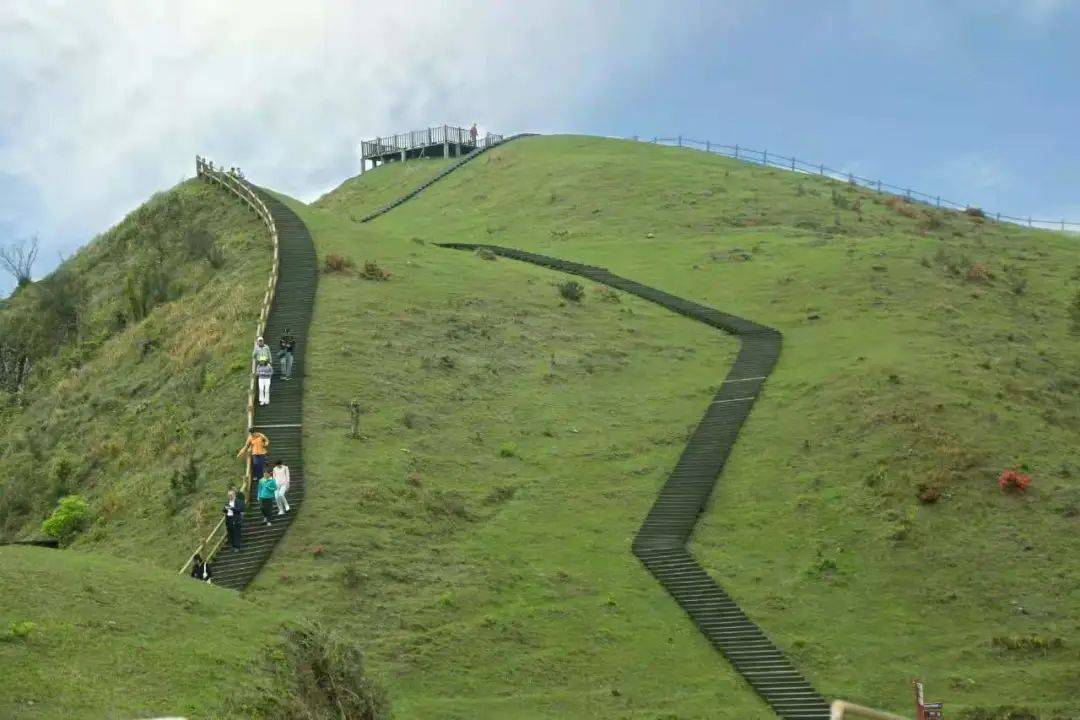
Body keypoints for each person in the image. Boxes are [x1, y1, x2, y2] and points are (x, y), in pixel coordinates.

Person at [223, 487, 245, 551]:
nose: (229, 496)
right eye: (228, 495)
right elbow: (223, 510)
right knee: (230, 533)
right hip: (229, 519)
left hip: (236, 518)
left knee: (236, 533)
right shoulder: (227, 502)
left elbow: (240, 509)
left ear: (234, 494)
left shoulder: (239, 501)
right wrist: (225, 509)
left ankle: (237, 547)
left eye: (231, 495)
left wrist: (231, 508)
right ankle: (233, 546)